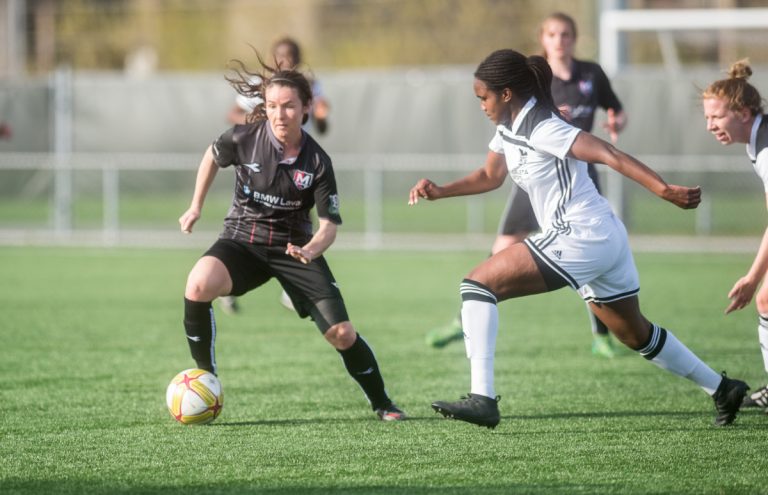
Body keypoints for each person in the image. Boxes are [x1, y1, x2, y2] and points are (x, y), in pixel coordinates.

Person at [409, 48, 748, 429]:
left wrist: (664, 190)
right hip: (600, 236)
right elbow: (490, 176)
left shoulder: (543, 126)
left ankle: (482, 399)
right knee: (636, 335)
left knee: (477, 286)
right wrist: (441, 190)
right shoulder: (509, 126)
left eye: (483, 97)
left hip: (581, 233)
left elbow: (606, 152)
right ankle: (722, 389)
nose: (481, 105)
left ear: (506, 94)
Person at [178, 53, 405, 421]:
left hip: (293, 249)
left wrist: (310, 249)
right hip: (242, 239)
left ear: (305, 109)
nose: (279, 114)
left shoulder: (317, 162)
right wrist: (195, 206)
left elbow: (329, 225)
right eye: (271, 106)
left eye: (288, 107)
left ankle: (383, 403)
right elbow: (211, 154)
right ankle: (208, 379)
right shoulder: (243, 137)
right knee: (198, 283)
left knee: (342, 333)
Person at [425, 13, 626, 359]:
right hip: (532, 181)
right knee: (501, 250)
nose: (560, 40)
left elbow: (615, 108)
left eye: (565, 34)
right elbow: (504, 150)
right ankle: (468, 314)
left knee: (585, 254)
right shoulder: (531, 79)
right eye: (552, 34)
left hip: (577, 180)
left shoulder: (591, 75)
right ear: (543, 39)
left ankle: (601, 335)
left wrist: (615, 118)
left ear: (574, 38)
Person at [702, 59, 768, 412]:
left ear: (743, 113)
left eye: (717, 118)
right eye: (707, 119)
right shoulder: (756, 141)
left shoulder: (767, 147)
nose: (710, 126)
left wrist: (752, 277)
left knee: (764, 297)